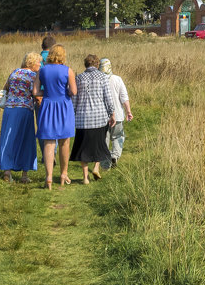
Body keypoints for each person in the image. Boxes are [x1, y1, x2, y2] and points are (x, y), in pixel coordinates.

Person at [34, 44, 76, 189]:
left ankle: (49, 177)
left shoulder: (42, 70)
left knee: (49, 142)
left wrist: (45, 94)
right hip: (64, 106)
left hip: (47, 105)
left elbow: (35, 91)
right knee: (65, 141)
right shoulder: (68, 70)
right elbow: (74, 91)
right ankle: (63, 174)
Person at [71, 54, 116, 184]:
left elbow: (74, 100)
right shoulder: (103, 77)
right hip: (99, 118)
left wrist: (73, 115)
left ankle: (85, 177)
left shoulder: (78, 78)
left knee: (82, 148)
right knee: (99, 144)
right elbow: (108, 98)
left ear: (85, 64)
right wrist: (112, 113)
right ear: (97, 64)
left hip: (82, 119)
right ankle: (96, 167)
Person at [0, 51, 41, 183]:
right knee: (26, 141)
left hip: (10, 110)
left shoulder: (14, 72)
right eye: (39, 62)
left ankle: (7, 171)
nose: (40, 64)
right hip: (24, 110)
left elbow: (6, 88)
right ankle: (24, 174)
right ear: (32, 63)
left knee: (8, 139)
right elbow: (36, 94)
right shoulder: (34, 76)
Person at [100, 58, 132, 167]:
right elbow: (124, 97)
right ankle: (115, 155)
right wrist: (128, 111)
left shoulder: (98, 80)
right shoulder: (117, 79)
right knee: (118, 136)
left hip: (102, 117)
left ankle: (105, 164)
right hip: (117, 115)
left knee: (104, 139)